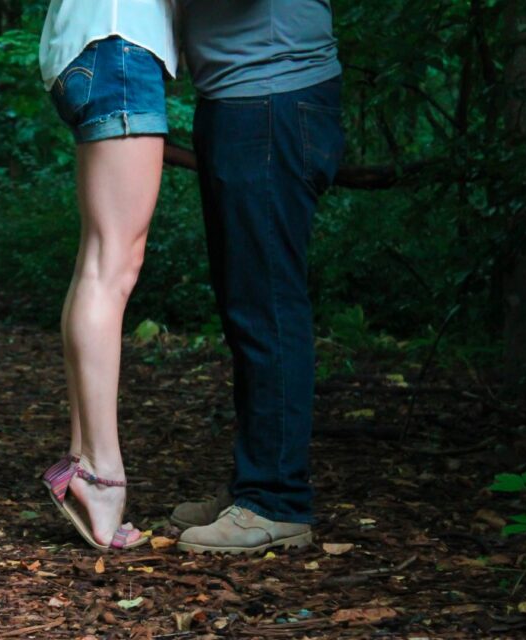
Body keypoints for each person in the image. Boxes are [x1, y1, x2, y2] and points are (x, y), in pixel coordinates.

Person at [170, 0, 346, 554]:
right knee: (247, 306)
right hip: (247, 100)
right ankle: (255, 484)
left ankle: (275, 500)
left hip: (270, 98)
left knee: (265, 305)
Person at [37, 0, 177, 551]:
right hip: (120, 45)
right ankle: (99, 473)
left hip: (89, 48)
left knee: (98, 263)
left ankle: (82, 460)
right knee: (112, 266)